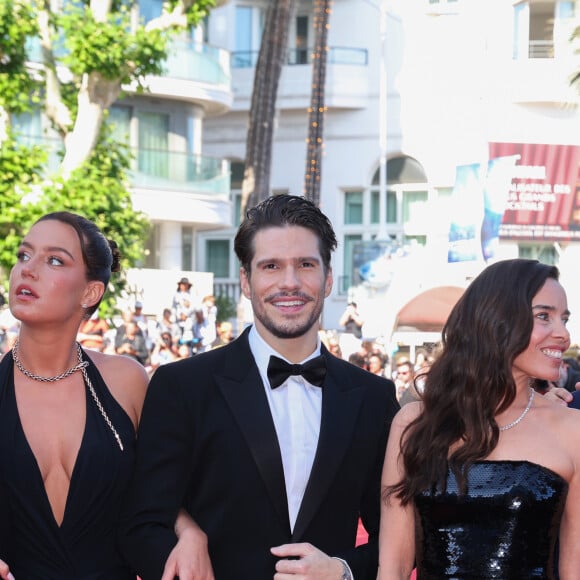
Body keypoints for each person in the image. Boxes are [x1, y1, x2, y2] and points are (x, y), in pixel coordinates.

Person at [119, 194, 400, 580]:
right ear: (246, 281)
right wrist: (182, 543)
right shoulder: (182, 386)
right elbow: (142, 522)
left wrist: (342, 571)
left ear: (328, 278)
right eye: (271, 266)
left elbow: (398, 537)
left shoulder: (373, 397)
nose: (290, 282)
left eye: (305, 265)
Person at [0, 211, 199, 580]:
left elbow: (158, 489)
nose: (26, 270)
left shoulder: (126, 381)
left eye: (54, 260)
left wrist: (189, 531)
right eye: (23, 255)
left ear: (91, 292)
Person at [378, 259, 580, 579]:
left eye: (565, 319)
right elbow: (394, 568)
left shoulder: (573, 430)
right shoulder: (414, 424)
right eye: (544, 316)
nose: (563, 334)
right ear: (495, 319)